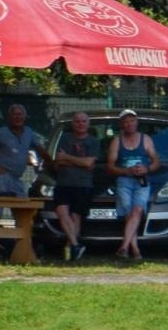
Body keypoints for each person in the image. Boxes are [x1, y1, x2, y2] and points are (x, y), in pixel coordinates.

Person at [104, 109, 158, 259]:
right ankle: (135, 250)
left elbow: (156, 162)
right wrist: (126, 171)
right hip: (125, 181)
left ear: (137, 122)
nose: (129, 124)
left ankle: (124, 247)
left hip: (142, 181)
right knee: (129, 215)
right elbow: (110, 166)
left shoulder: (146, 139)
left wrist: (146, 169)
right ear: (121, 124)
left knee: (138, 211)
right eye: (126, 121)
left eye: (132, 120)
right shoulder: (117, 141)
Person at [51, 111, 99, 261]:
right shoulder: (64, 139)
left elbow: (89, 163)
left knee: (75, 216)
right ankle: (76, 245)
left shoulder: (94, 142)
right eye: (77, 121)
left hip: (83, 184)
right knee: (61, 212)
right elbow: (58, 161)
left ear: (88, 124)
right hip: (63, 182)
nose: (80, 124)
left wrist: (68, 158)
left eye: (83, 121)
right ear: (73, 123)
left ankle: (71, 251)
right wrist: (80, 162)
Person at [0, 103, 51, 198]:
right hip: (2, 177)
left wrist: (51, 163)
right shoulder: (1, 132)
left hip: (17, 179)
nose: (17, 117)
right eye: (14, 114)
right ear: (9, 117)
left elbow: (41, 150)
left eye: (20, 114)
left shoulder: (29, 132)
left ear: (24, 117)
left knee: (23, 207)